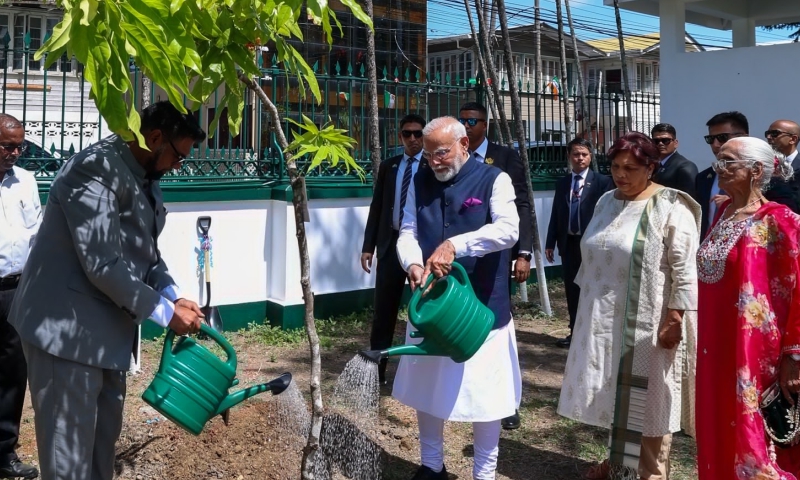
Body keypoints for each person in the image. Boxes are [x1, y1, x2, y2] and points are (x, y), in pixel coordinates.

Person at [9, 102, 206, 480]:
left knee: (101, 455)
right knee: (68, 462)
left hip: (106, 335)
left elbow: (145, 254)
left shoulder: (145, 175)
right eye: (178, 156)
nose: (178, 166)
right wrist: (166, 314)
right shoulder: (94, 170)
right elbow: (102, 263)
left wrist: (174, 294)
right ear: (154, 138)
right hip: (64, 335)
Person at [557, 132, 700, 480]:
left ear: (651, 168)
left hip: (648, 323)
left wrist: (676, 316)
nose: (621, 175)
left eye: (631, 168)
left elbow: (684, 269)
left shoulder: (671, 206)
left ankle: (650, 474)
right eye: (616, 166)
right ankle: (621, 471)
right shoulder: (607, 200)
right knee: (614, 398)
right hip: (603, 319)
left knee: (647, 405)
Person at [394, 116, 522, 480]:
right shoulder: (420, 180)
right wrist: (414, 264)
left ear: (465, 145)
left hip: (482, 309)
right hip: (433, 307)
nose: (435, 160)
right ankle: (432, 466)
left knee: (487, 399)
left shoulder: (495, 179)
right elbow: (407, 229)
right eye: (430, 153)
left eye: (443, 152)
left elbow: (508, 230)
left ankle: (484, 473)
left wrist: (456, 244)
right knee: (426, 390)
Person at [696, 137, 800, 479]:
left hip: (756, 354)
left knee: (753, 437)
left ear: (757, 170)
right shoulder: (724, 213)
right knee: (717, 422)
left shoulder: (780, 219)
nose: (719, 168)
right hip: (716, 346)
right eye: (718, 161)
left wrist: (793, 356)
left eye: (729, 162)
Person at [458, 101, 530, 430]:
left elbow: (523, 206)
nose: (467, 126)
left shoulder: (503, 158)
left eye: (472, 121)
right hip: (460, 261)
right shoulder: (454, 157)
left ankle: (508, 402)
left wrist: (523, 253)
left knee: (499, 331)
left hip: (496, 258)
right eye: (462, 121)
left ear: (485, 124)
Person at [361, 113, 426, 384]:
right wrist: (368, 246)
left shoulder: (432, 167)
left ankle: (421, 377)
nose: (412, 138)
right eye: (407, 134)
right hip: (390, 248)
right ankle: (377, 375)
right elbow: (377, 208)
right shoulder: (390, 167)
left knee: (423, 313)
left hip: (420, 252)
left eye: (417, 133)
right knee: (383, 314)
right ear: (400, 137)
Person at [0, 114, 41, 480]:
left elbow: (36, 234)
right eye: (7, 145)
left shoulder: (27, 182)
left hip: (15, 290)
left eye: (19, 146)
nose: (15, 152)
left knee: (13, 373)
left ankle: (4, 452)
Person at [545, 138, 613, 349]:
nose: (580, 158)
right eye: (576, 154)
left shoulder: (602, 181)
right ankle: (575, 332)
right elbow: (556, 213)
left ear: (591, 156)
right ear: (569, 156)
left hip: (592, 246)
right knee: (572, 290)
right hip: (569, 244)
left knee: (593, 288)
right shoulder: (563, 183)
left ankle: (594, 334)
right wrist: (550, 242)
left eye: (584, 154)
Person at [695, 111, 749, 240]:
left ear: (744, 137)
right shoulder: (703, 178)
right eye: (710, 139)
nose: (715, 144)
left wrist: (734, 204)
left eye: (722, 138)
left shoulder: (761, 174)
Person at [650, 123, 698, 197]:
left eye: (665, 140)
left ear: (675, 143)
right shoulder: (652, 165)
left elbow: (689, 200)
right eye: (656, 141)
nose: (660, 144)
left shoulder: (686, 167)